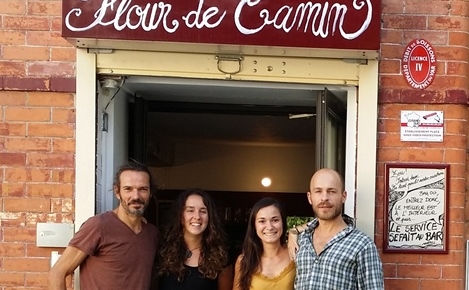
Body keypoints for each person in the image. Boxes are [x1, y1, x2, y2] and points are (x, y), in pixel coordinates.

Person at [49, 161, 159, 290]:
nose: (136, 196)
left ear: (150, 193)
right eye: (128, 189)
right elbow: (57, 273)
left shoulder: (152, 234)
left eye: (143, 189)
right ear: (117, 192)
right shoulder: (98, 226)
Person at [288, 168, 384, 290]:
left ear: (343, 196)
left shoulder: (362, 244)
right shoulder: (301, 240)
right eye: (318, 191)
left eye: (331, 191)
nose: (324, 198)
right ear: (309, 197)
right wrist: (292, 232)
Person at [157, 188, 233, 290]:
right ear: (180, 215)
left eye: (203, 211)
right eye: (190, 210)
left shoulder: (221, 255)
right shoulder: (162, 250)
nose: (197, 216)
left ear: (210, 217)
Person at [233, 197, 295, 290]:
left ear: (282, 222)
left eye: (275, 220)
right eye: (262, 221)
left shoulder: (295, 254)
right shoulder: (244, 260)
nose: (269, 227)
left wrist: (294, 231)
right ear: (254, 226)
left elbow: (319, 223)